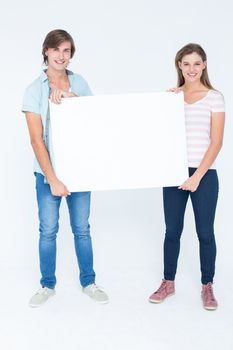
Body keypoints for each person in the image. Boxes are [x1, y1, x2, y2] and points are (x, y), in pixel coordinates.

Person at [22, 29, 109, 307]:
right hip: (48, 174)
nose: (61, 56)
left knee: (82, 228)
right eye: (56, 49)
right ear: (46, 51)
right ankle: (47, 285)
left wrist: (74, 100)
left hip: (80, 171)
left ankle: (89, 281)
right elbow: (36, 140)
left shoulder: (79, 83)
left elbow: (98, 121)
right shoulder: (34, 89)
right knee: (48, 230)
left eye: (67, 50)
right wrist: (53, 179)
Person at [148, 43, 225, 310]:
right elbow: (160, 136)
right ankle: (168, 282)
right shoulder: (171, 98)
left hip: (203, 173)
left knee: (205, 232)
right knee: (172, 230)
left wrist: (196, 177)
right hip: (173, 172)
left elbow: (216, 142)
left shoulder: (215, 97)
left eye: (196, 63)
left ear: (204, 65)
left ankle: (207, 286)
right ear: (179, 66)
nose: (191, 68)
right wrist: (165, 105)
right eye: (186, 63)